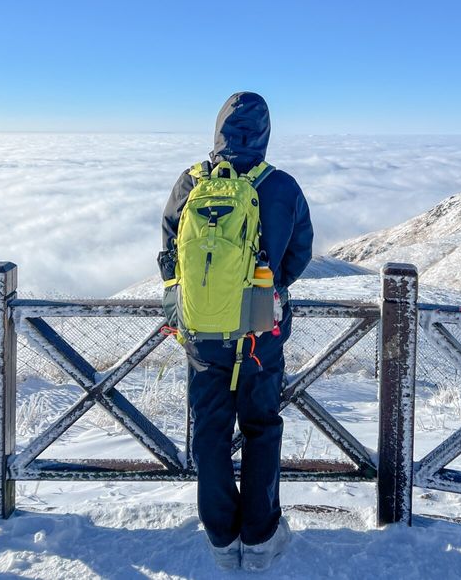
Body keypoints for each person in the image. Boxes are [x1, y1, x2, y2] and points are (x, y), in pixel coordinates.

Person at [158, 92, 314, 571]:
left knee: (210, 431)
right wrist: (268, 287)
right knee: (261, 427)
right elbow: (299, 253)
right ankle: (261, 537)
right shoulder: (281, 186)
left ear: (218, 131)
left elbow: (168, 248)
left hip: (203, 334)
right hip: (260, 333)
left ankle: (222, 539)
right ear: (266, 134)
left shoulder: (191, 181)